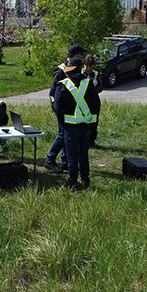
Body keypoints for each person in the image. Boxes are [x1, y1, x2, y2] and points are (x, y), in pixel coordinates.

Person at [54, 57, 101, 191]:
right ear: (81, 69)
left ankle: (73, 182)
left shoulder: (62, 85)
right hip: (86, 127)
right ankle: (85, 180)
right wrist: (92, 124)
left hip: (69, 127)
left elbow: (57, 109)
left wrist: (64, 124)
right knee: (83, 155)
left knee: (72, 156)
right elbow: (96, 105)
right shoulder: (89, 83)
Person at [45, 44, 87, 173]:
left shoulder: (75, 68)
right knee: (63, 135)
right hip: (62, 110)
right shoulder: (61, 70)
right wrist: (56, 108)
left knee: (65, 136)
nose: (83, 57)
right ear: (75, 55)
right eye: (81, 54)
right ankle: (50, 160)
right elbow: (52, 92)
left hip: (72, 111)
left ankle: (65, 161)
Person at [83, 54, 104, 148]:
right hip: (83, 101)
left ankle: (91, 141)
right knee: (83, 122)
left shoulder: (96, 74)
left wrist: (92, 89)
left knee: (93, 122)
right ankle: (83, 141)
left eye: (90, 66)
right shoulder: (79, 74)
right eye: (86, 65)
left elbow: (100, 87)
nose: (88, 68)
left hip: (94, 101)